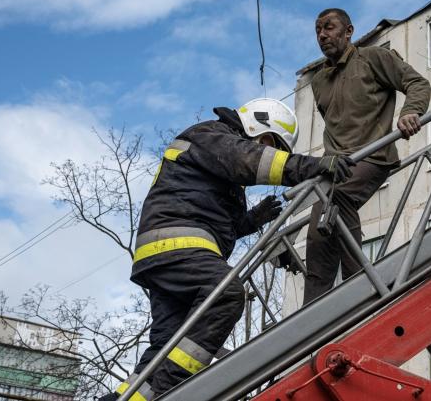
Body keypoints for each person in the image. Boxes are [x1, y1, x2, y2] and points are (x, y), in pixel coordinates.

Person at [99, 98, 355, 400]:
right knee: (227, 294)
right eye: (268, 143)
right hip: (178, 243)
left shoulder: (222, 169)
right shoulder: (211, 135)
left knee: (168, 342)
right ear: (255, 124)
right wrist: (311, 166)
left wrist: (251, 220)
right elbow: (248, 159)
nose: (267, 150)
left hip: (166, 252)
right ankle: (171, 393)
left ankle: (126, 398)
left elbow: (219, 220)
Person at [302, 8, 431, 305]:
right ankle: (311, 318)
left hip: (372, 156)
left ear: (348, 32)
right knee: (317, 234)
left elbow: (417, 83)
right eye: (318, 30)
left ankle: (359, 289)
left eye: (329, 27)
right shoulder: (319, 81)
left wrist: (410, 111)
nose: (322, 35)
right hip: (335, 166)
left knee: (338, 198)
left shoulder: (373, 58)